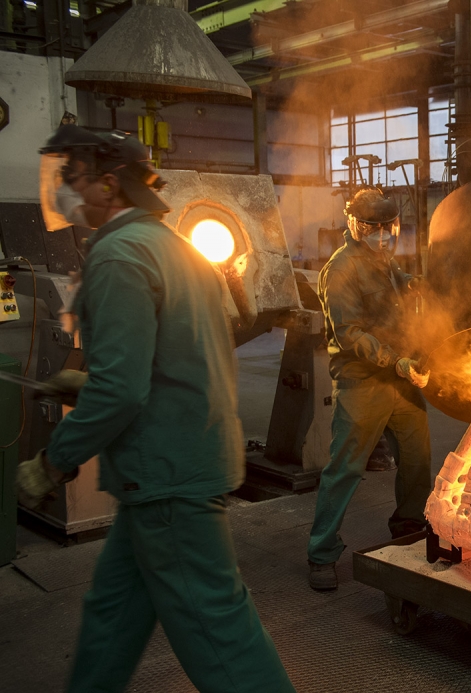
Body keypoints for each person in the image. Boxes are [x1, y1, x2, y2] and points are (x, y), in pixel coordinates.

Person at [16, 125, 295, 693]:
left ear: (109, 185)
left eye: (73, 177)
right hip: (174, 466)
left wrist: (53, 462)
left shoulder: (119, 255)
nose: (65, 189)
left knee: (220, 638)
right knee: (111, 620)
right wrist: (88, 380)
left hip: (167, 477)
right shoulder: (174, 247)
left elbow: (123, 391)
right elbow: (177, 356)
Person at [307, 187, 432, 591]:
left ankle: (409, 527)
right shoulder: (341, 269)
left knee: (417, 456)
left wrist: (413, 283)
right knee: (345, 468)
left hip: (399, 376)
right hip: (362, 380)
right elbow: (349, 334)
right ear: (354, 226)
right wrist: (395, 361)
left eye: (387, 227)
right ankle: (321, 553)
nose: (381, 235)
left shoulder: (384, 261)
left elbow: (394, 285)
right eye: (372, 228)